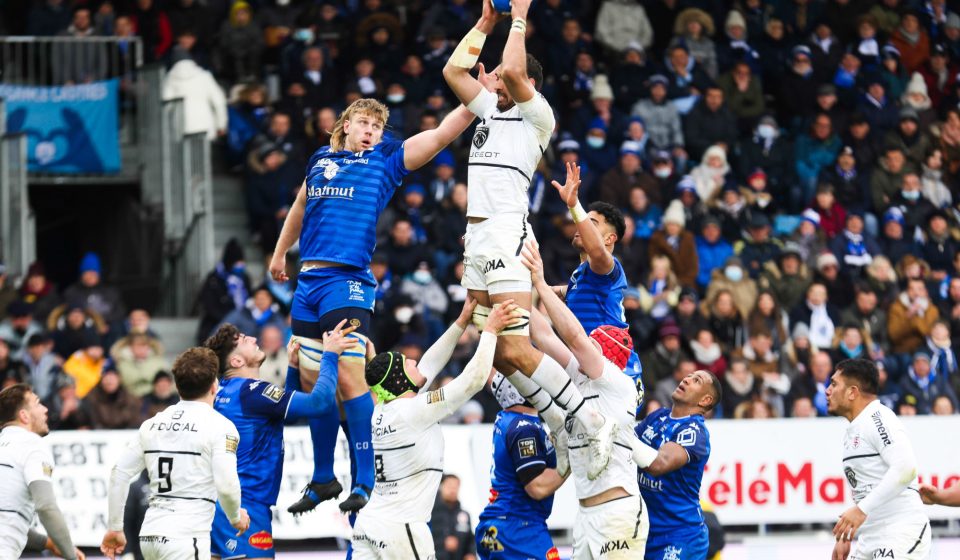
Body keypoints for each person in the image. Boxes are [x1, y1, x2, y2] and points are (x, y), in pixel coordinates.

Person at [269, 28, 481, 516]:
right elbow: (301, 205)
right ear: (344, 125)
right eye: (363, 123)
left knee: (347, 375)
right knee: (307, 379)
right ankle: (324, 477)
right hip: (308, 280)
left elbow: (442, 134)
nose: (370, 131)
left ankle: (363, 477)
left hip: (348, 279)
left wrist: (476, 99)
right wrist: (281, 253)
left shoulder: (386, 161)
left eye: (377, 127)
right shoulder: (320, 159)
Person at [442, 0, 615, 480]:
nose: (494, 79)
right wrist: (486, 22)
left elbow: (516, 71)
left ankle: (585, 416)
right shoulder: (487, 111)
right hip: (475, 239)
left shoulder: (537, 116)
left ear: (527, 86)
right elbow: (453, 71)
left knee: (515, 347)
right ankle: (563, 421)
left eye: (501, 75)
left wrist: (519, 14)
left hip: (504, 234)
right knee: (496, 350)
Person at [510, 239, 647, 559]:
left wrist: (541, 283)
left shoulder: (617, 383)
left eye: (594, 341)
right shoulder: (579, 375)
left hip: (617, 513)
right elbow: (543, 334)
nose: (588, 341)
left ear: (603, 353)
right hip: (586, 516)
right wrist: (506, 287)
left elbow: (571, 335)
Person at [350, 300, 514, 559]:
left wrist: (461, 322)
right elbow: (474, 378)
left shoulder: (383, 407)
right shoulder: (413, 411)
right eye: (408, 363)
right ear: (400, 379)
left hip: (368, 525)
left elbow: (430, 363)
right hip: (400, 529)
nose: (415, 360)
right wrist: (490, 331)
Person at [203, 321, 355, 559]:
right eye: (244, 340)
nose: (253, 339)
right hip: (246, 507)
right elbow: (320, 403)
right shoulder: (251, 392)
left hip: (221, 505)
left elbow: (286, 417)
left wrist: (293, 369)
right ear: (236, 362)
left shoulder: (226, 391)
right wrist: (329, 355)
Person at [99, 348, 250, 560]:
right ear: (215, 385)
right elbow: (226, 484)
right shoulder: (220, 426)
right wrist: (235, 517)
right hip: (186, 538)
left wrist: (115, 528)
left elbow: (119, 472)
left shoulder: (152, 424)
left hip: (150, 537)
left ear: (177, 387)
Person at [827, 359, 931, 560]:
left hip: (901, 532)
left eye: (834, 384)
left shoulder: (878, 419)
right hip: (870, 538)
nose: (827, 390)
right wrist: (846, 533)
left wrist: (860, 510)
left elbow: (906, 468)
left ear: (852, 392)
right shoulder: (855, 427)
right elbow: (868, 485)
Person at [551, 163, 643, 383]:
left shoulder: (608, 267)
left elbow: (597, 253)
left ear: (610, 239)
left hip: (618, 371)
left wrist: (574, 205)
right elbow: (569, 290)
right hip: (591, 370)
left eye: (589, 223)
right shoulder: (579, 277)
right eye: (579, 221)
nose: (578, 225)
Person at [628, 365, 720, 560]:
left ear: (705, 400)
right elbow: (623, 448)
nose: (687, 379)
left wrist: (616, 431)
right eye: (689, 376)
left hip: (681, 536)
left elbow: (658, 464)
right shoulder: (657, 416)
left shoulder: (695, 432)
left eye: (697, 381)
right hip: (644, 533)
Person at [475, 372, 565, 560]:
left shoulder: (509, 419)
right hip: (519, 528)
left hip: (500, 524)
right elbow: (537, 487)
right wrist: (571, 461)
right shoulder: (524, 427)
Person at [0, 384, 83, 560]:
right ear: (24, 416)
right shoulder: (31, 443)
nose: (45, 409)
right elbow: (46, 506)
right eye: (38, 403)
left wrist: (49, 543)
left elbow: (9, 520)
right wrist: (71, 557)